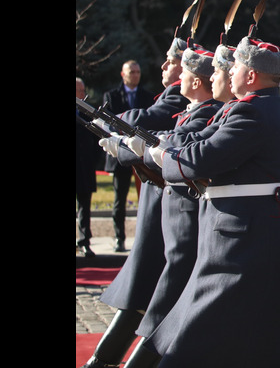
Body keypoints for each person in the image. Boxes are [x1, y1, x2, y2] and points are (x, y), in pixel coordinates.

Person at [139, 36, 280, 367]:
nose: (229, 71)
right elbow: (197, 140)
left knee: (193, 341)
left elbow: (202, 158)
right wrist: (161, 147)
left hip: (243, 241)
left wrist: (160, 154)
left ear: (251, 75)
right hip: (236, 235)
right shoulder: (251, 108)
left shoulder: (253, 112)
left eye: (235, 65)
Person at [82, 41, 190, 368]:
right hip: (163, 204)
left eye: (170, 62)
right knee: (147, 294)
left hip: (175, 210)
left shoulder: (180, 95)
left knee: (156, 295)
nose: (163, 67)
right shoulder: (176, 93)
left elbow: (149, 124)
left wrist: (116, 129)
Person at [117, 45, 223, 367]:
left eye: (183, 70)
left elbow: (181, 144)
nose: (173, 71)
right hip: (175, 216)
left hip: (188, 217)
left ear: (195, 82)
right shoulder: (192, 110)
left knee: (169, 305)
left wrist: (147, 147)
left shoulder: (206, 112)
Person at [102, 59, 155, 251]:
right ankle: (119, 238)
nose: (135, 75)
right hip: (120, 154)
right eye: (131, 72)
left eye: (138, 72)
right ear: (123, 74)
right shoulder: (111, 96)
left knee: (146, 198)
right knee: (120, 199)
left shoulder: (148, 96)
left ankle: (144, 239)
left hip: (141, 154)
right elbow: (109, 123)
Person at [76, 77, 99, 258]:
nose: (83, 94)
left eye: (83, 91)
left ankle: (84, 242)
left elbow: (96, 140)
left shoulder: (88, 113)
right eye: (79, 91)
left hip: (84, 167)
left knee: (85, 206)